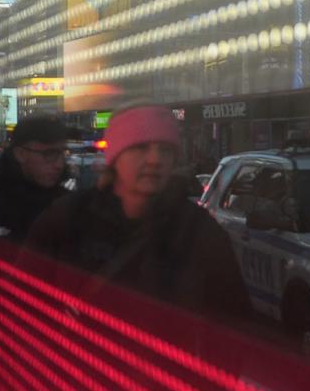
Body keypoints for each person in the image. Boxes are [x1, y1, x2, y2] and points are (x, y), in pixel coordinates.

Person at [27, 105, 247, 321]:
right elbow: (25, 304)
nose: (155, 159)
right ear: (116, 156)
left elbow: (236, 324)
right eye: (141, 148)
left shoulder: (199, 232)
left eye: (165, 149)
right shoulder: (67, 220)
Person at [0, 115, 71, 244]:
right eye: (49, 154)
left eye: (62, 153)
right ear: (20, 154)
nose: (59, 164)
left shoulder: (71, 208)